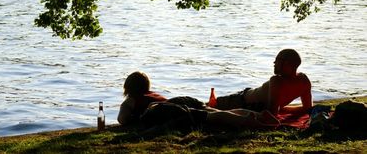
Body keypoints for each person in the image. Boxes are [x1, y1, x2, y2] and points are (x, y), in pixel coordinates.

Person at [117, 71, 280, 128]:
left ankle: (251, 121)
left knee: (210, 117)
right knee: (216, 111)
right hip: (181, 100)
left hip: (171, 109)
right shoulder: (152, 94)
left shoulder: (131, 99)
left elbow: (122, 120)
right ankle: (258, 115)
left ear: (128, 87)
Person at [211, 49, 312, 115]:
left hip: (245, 104)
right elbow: (307, 108)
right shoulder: (304, 81)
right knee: (212, 104)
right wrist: (282, 109)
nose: (274, 63)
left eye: (277, 60)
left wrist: (282, 109)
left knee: (209, 107)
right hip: (241, 98)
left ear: (286, 63)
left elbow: (271, 113)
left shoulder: (277, 81)